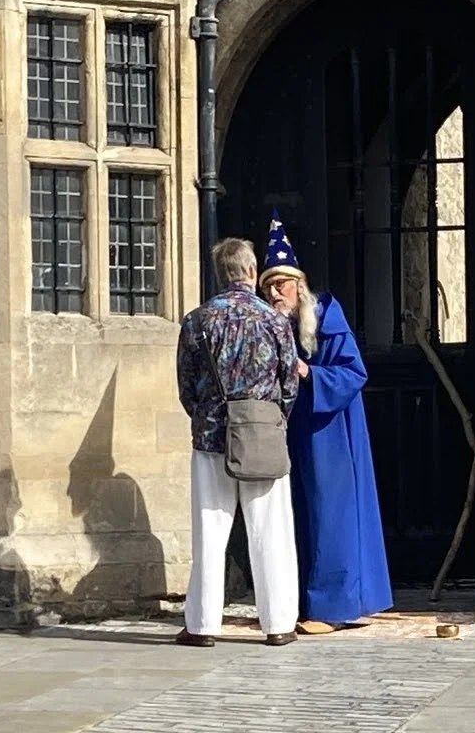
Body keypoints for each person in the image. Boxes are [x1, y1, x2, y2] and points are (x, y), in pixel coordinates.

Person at [259, 212, 393, 635]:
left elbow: (354, 374)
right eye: (268, 287)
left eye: (281, 285)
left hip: (331, 433)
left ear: (299, 285)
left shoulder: (326, 318)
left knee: (330, 514)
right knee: (298, 515)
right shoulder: (272, 324)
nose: (275, 294)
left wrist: (308, 374)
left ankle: (333, 607)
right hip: (294, 433)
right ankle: (303, 602)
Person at [176, 236, 300, 648]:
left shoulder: (197, 320)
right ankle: (279, 623)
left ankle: (203, 625)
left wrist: (207, 415)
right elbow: (288, 385)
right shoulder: (276, 321)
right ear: (250, 271)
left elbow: (186, 386)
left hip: (213, 433)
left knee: (210, 530)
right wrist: (272, 417)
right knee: (270, 530)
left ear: (219, 274)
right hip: (263, 430)